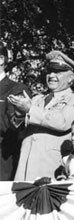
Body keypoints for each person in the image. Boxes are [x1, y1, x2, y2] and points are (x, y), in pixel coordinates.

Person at [9, 50, 74, 181]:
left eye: (58, 72)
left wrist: (30, 109)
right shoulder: (37, 99)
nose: (51, 75)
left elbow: (62, 122)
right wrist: (19, 114)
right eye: (49, 71)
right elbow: (15, 129)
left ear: (71, 78)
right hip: (25, 168)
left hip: (51, 168)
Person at [0, 43, 31, 180]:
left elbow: (15, 127)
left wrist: (19, 115)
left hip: (3, 162)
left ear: (1, 59)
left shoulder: (17, 89)